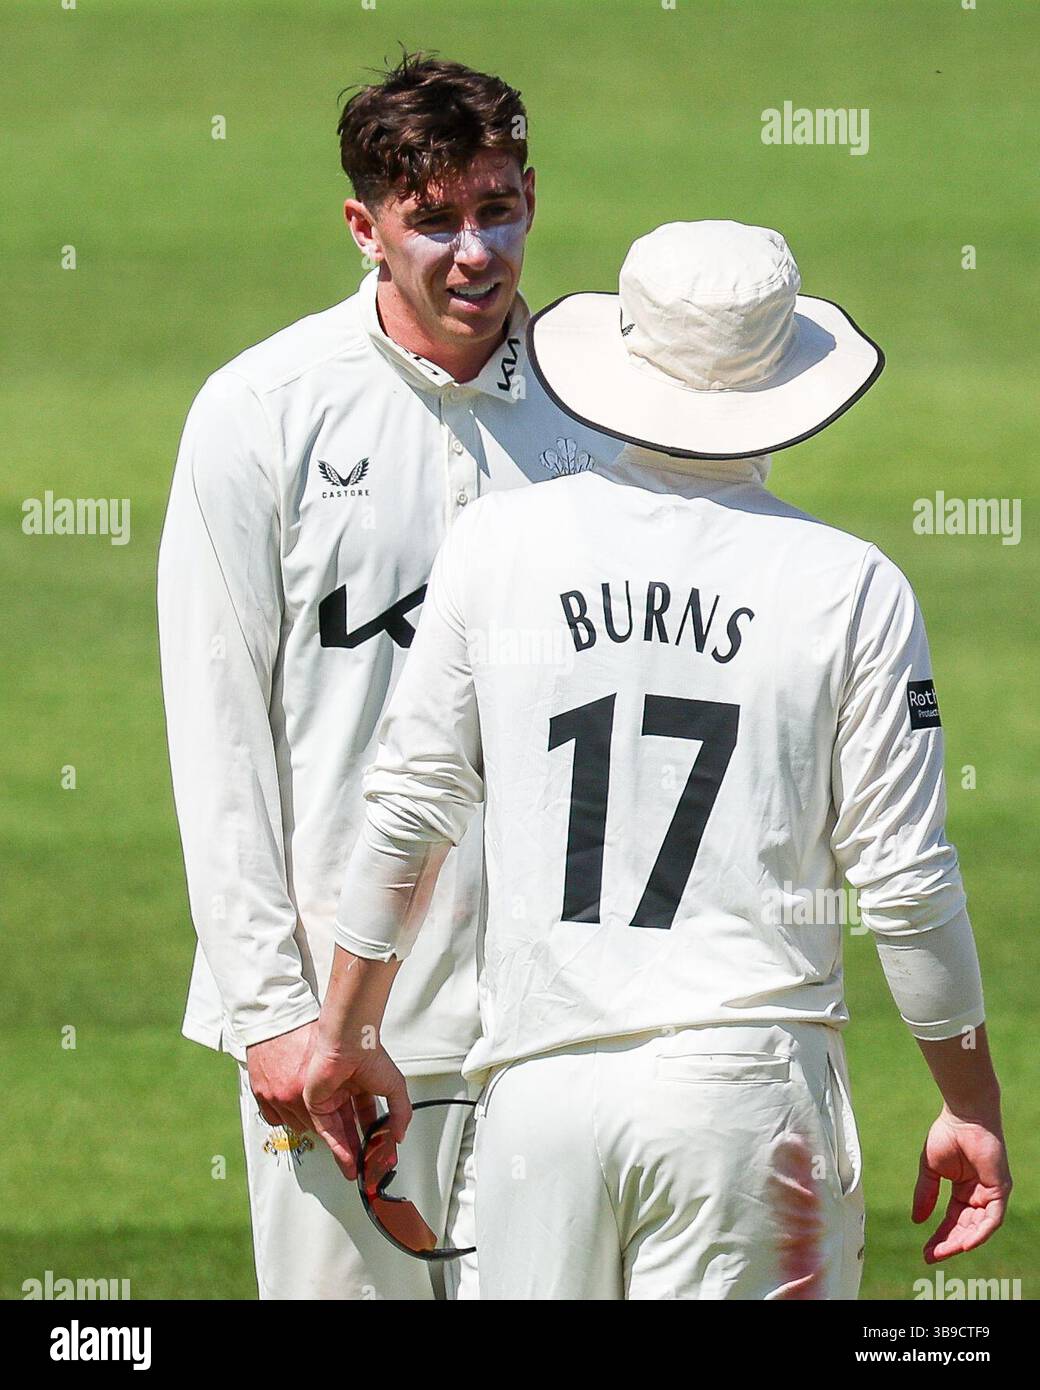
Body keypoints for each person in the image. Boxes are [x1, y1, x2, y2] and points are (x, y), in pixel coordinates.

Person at [303, 220, 1011, 1299]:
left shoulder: (497, 546)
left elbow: (407, 807)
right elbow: (903, 880)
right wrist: (968, 1103)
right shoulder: (848, 585)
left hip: (537, 1100)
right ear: (782, 373)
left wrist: (347, 1027)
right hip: (743, 1100)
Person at [157, 52, 617, 1300]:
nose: (476, 251)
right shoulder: (260, 412)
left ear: (533, 193)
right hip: (344, 1023)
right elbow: (218, 732)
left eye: (498, 207)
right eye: (435, 220)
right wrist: (268, 1011)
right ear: (364, 226)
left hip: (568, 1024)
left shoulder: (611, 407)